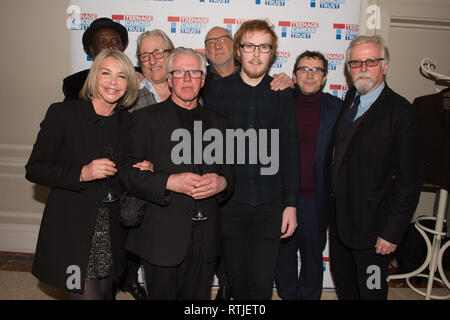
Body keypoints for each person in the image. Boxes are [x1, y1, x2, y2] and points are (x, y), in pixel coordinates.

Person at [119, 47, 234, 300]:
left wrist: (222, 182)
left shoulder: (219, 123)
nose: (187, 78)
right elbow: (127, 174)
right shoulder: (144, 119)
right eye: (179, 72)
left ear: (203, 80)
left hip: (206, 239)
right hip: (162, 236)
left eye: (194, 72)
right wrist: (170, 181)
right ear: (169, 79)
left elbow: (230, 172)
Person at [25, 49, 138, 299]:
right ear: (93, 76)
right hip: (72, 229)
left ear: (128, 84)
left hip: (112, 228)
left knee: (105, 292)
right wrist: (81, 174)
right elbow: (35, 168)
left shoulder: (129, 123)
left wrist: (140, 168)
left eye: (121, 76)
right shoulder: (63, 114)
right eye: (105, 73)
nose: (112, 82)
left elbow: (127, 171)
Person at [205, 19, 299, 300]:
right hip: (230, 204)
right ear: (238, 51)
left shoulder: (282, 93)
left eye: (264, 47)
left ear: (273, 53)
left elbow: (290, 151)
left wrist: (291, 204)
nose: (256, 54)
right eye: (249, 46)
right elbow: (211, 149)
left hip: (270, 206)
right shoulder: (218, 92)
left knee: (260, 283)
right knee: (236, 278)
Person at [328, 35, 423, 300]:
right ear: (348, 68)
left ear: (385, 65)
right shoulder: (350, 100)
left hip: (374, 231)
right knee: (346, 288)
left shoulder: (403, 113)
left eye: (371, 61)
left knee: (370, 292)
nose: (363, 68)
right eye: (356, 63)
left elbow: (410, 182)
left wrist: (392, 232)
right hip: (340, 223)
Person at [275, 51, 342, 300]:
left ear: (324, 77)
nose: (310, 74)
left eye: (316, 70)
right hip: (282, 198)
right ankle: (287, 295)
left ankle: (311, 296)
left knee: (314, 256)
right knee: (283, 255)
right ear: (294, 75)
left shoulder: (338, 109)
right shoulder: (280, 101)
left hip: (317, 199)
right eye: (304, 69)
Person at [202, 26, 293, 105]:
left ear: (235, 46)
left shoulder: (254, 73)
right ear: (206, 51)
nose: (218, 46)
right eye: (211, 43)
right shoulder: (198, 79)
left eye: (223, 40)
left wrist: (292, 89)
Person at [62, 17, 129, 101]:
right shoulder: (74, 83)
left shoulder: (138, 76)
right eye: (102, 42)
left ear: (123, 47)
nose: (110, 46)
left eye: (115, 42)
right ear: (91, 49)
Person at [129, 29, 174, 111]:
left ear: (171, 54)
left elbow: (198, 122)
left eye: (158, 53)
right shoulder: (130, 98)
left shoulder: (187, 90)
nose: (152, 61)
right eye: (145, 56)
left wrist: (197, 124)